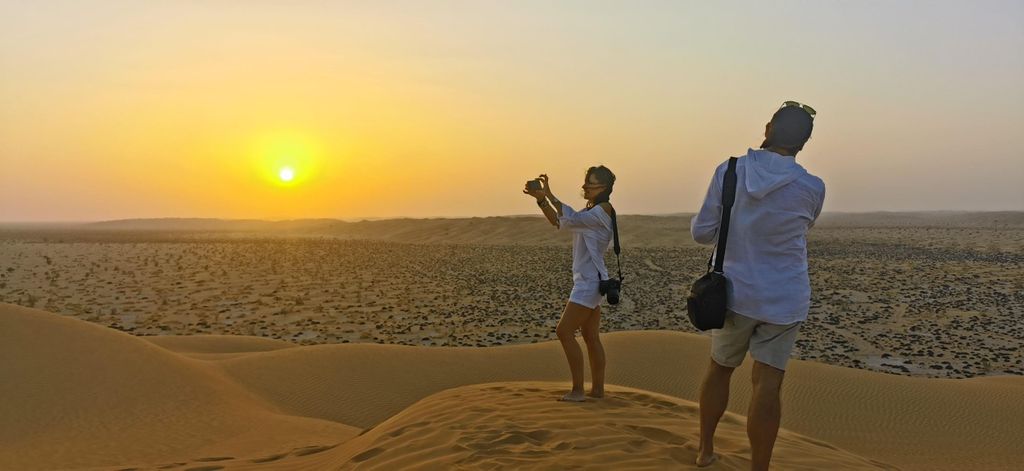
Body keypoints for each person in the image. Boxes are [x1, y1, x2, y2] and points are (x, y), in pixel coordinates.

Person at [691, 101, 825, 470]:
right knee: (768, 385)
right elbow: (803, 226)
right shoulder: (813, 187)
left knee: (720, 368)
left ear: (768, 129)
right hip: (786, 299)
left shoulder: (731, 170)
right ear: (804, 143)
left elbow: (702, 233)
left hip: (735, 295)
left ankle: (705, 450)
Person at [523, 167, 616, 402]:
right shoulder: (591, 212)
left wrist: (551, 195)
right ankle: (597, 390)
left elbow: (570, 219)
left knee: (564, 331)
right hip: (591, 281)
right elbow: (560, 222)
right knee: (590, 336)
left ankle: (577, 390)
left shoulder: (601, 211)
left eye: (590, 184)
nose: (584, 187)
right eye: (585, 182)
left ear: (603, 188)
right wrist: (542, 200)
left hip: (588, 284)